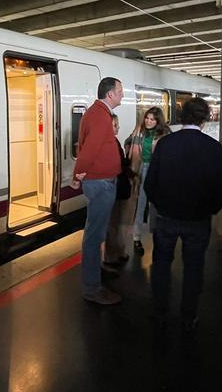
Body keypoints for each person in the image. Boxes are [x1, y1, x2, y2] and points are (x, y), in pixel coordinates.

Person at [145, 97, 222, 331]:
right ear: (204, 119)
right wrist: (209, 210)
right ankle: (188, 315)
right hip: (198, 219)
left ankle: (159, 311)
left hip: (167, 217)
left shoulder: (166, 144)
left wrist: (160, 205)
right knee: (194, 267)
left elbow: (150, 183)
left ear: (182, 117)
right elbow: (221, 188)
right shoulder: (212, 147)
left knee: (161, 264)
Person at [71, 77, 124, 305]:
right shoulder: (101, 115)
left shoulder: (96, 113)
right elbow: (89, 150)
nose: (123, 94)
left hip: (101, 182)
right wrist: (77, 175)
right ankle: (92, 288)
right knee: (94, 236)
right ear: (110, 94)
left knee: (97, 232)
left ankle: (97, 271)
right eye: (120, 91)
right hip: (100, 183)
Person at [128, 107, 170, 256]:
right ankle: (136, 237)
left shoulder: (165, 133)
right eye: (147, 118)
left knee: (156, 205)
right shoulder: (139, 131)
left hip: (157, 170)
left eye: (152, 119)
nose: (148, 121)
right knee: (140, 204)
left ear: (158, 121)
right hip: (141, 170)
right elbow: (128, 143)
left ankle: (157, 236)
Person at [103, 114, 133, 271]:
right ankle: (111, 256)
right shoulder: (110, 143)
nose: (117, 128)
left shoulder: (111, 142)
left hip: (114, 188)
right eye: (115, 125)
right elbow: (117, 165)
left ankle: (117, 252)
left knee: (115, 222)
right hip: (114, 188)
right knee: (114, 223)